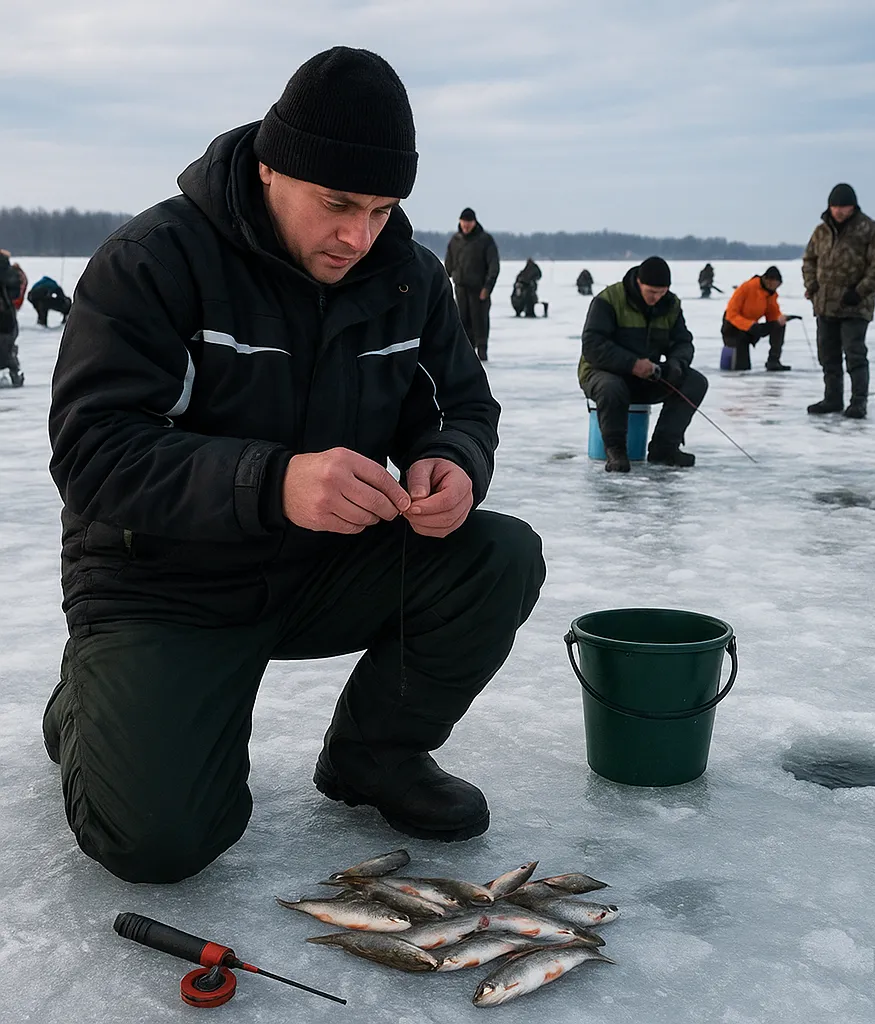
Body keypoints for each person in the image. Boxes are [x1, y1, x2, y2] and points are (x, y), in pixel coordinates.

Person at [41, 47, 546, 885]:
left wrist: (450, 463)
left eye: (384, 209)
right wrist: (273, 481)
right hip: (166, 583)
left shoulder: (409, 280)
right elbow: (94, 452)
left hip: (322, 567)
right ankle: (85, 707)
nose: (359, 235)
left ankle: (373, 757)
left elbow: (460, 407)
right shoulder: (154, 262)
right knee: (160, 845)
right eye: (338, 204)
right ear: (272, 168)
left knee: (497, 554)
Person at [579, 256, 708, 473]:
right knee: (612, 387)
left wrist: (675, 365)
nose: (657, 298)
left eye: (662, 292)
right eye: (652, 292)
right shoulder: (609, 299)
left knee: (694, 382)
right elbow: (593, 345)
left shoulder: (671, 305)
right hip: (601, 371)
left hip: (648, 376)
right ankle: (616, 451)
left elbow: (683, 343)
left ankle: (664, 448)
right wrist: (632, 364)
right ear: (639, 282)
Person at [802, 183, 875, 418]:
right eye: (834, 206)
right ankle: (832, 398)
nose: (838, 211)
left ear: (853, 206)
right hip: (825, 305)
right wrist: (811, 285)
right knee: (828, 355)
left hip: (855, 306)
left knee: (855, 354)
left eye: (843, 206)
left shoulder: (870, 230)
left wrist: (860, 291)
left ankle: (858, 401)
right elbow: (809, 260)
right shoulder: (821, 231)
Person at [444, 207, 499, 361]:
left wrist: (487, 287)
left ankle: (482, 353)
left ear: (474, 222)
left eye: (469, 222)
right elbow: (448, 265)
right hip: (461, 289)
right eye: (463, 222)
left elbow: (494, 266)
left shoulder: (485, 240)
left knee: (479, 322)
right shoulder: (455, 241)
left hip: (479, 290)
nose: (466, 225)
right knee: (462, 322)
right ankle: (465, 356)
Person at [721, 266, 790, 371]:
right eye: (773, 285)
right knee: (742, 368)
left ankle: (773, 361)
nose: (775, 288)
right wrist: (749, 325)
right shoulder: (746, 288)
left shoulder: (771, 294)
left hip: (752, 327)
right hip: (733, 329)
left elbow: (772, 314)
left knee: (778, 325)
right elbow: (731, 314)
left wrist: (779, 319)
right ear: (767, 280)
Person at [0, 250, 25, 387]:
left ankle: (14, 369)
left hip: (5, 317)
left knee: (6, 349)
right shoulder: (9, 271)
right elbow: (16, 292)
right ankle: (14, 370)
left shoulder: (7, 272)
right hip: (7, 317)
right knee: (6, 349)